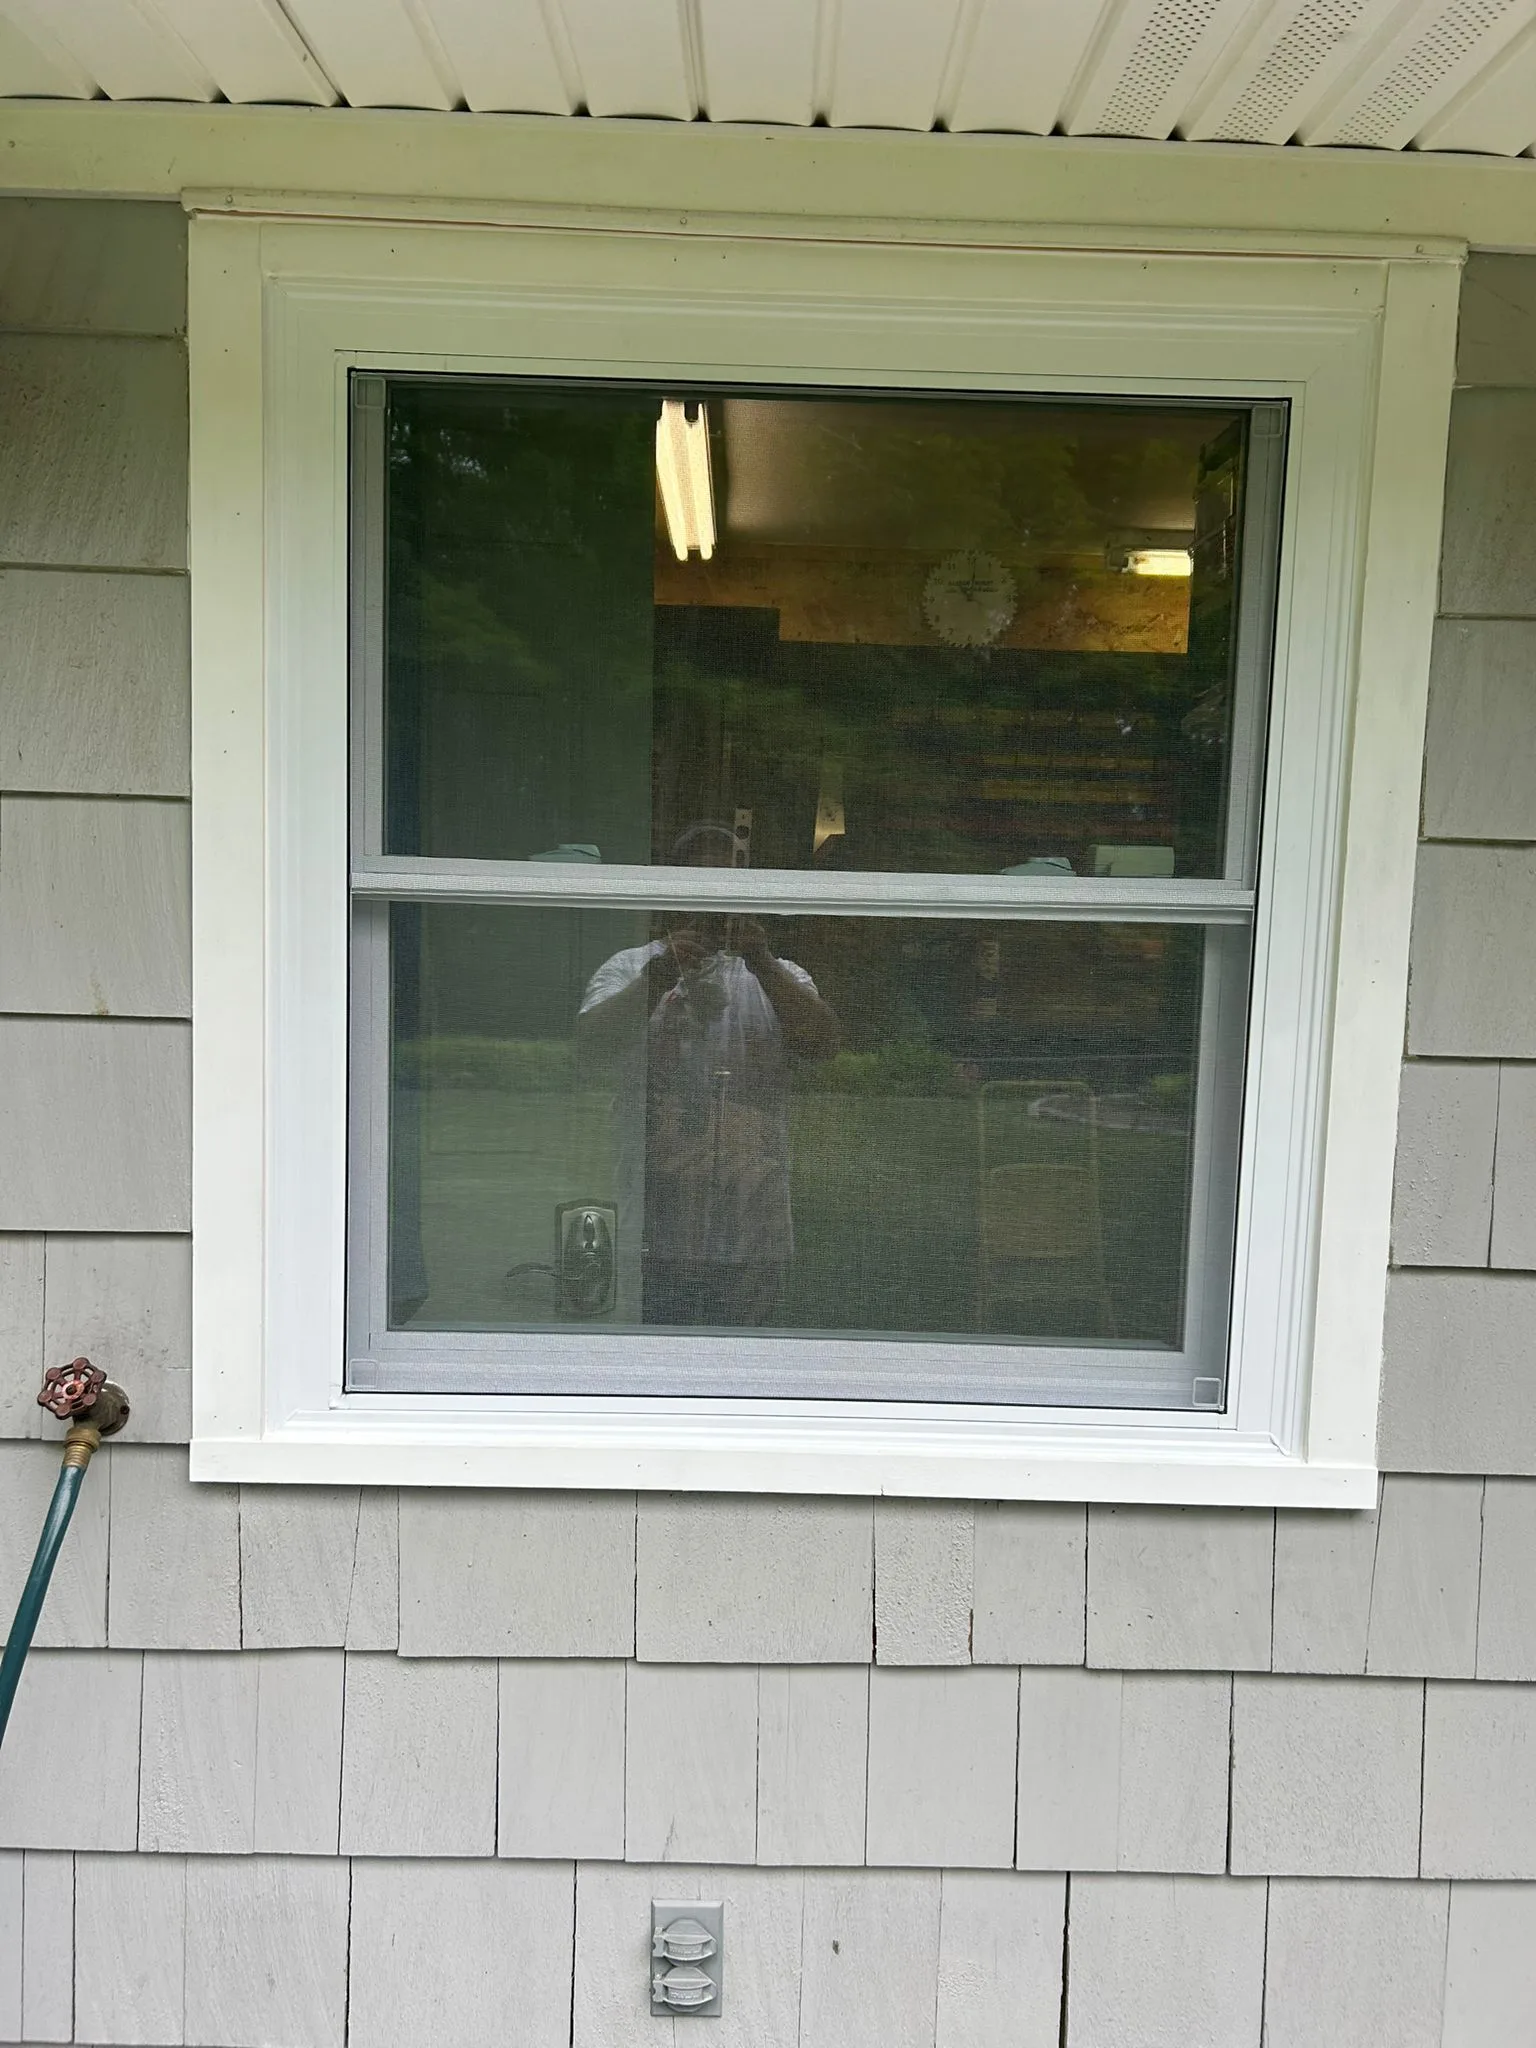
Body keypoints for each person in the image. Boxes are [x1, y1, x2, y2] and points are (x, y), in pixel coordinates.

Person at [578, 825, 838, 1327]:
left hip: (751, 1216)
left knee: (745, 1353)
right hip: (657, 1214)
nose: (710, 902)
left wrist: (759, 959)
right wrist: (659, 978)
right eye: (696, 886)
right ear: (671, 895)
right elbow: (590, 1051)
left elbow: (822, 1046)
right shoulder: (631, 967)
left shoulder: (780, 973)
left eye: (723, 885)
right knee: (656, 1345)